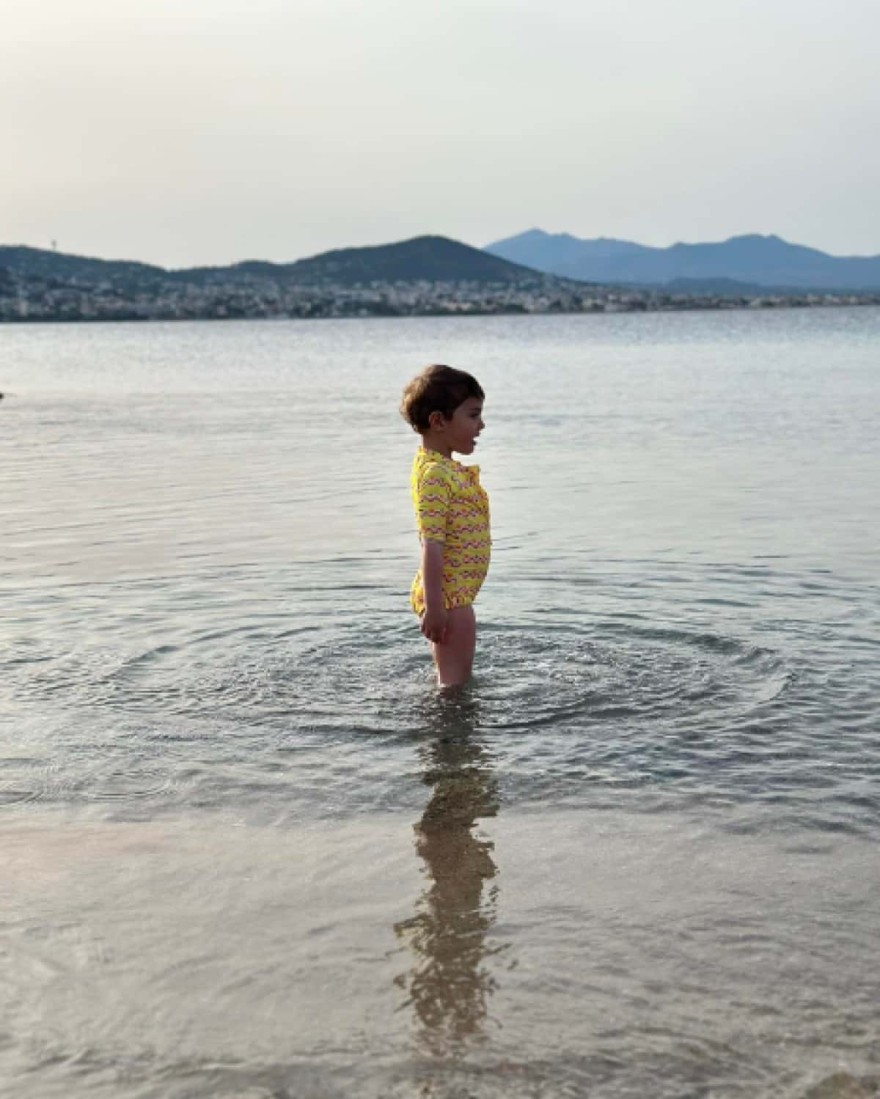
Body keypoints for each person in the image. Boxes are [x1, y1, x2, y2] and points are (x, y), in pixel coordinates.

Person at [400, 364, 491, 687]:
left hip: (448, 595)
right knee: (455, 688)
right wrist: (437, 609)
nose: (481, 425)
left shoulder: (439, 467)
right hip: (448, 599)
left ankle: (446, 730)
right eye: (472, 415)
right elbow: (432, 543)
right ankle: (451, 736)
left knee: (450, 681)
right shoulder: (435, 475)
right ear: (438, 421)